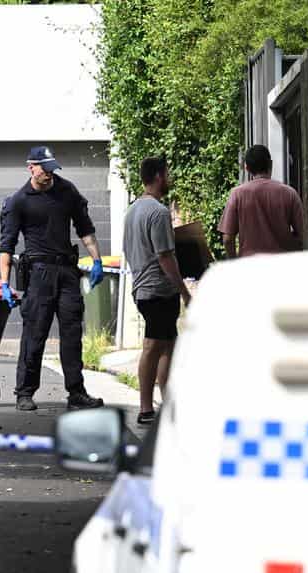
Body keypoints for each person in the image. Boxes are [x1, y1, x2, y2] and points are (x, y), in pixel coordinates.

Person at [0, 145, 106, 412]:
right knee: (35, 333)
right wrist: (4, 283)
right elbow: (7, 247)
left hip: (67, 273)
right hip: (38, 274)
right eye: (44, 168)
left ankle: (76, 392)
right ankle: (24, 392)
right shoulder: (18, 201)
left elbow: (85, 229)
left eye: (51, 168)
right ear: (31, 167)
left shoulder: (67, 191)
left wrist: (97, 260)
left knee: (72, 333)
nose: (49, 173)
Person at [121, 157, 191, 425]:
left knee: (166, 345)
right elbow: (165, 256)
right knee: (153, 346)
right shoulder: (158, 212)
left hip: (143, 287)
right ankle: (146, 408)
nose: (170, 177)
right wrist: (183, 291)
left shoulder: (134, 210)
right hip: (158, 289)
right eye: (168, 172)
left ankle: (166, 404)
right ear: (159, 176)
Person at [218, 145, 305, 258]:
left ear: (247, 168)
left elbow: (228, 239)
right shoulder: (289, 193)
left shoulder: (237, 194)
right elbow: (304, 234)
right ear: (270, 164)